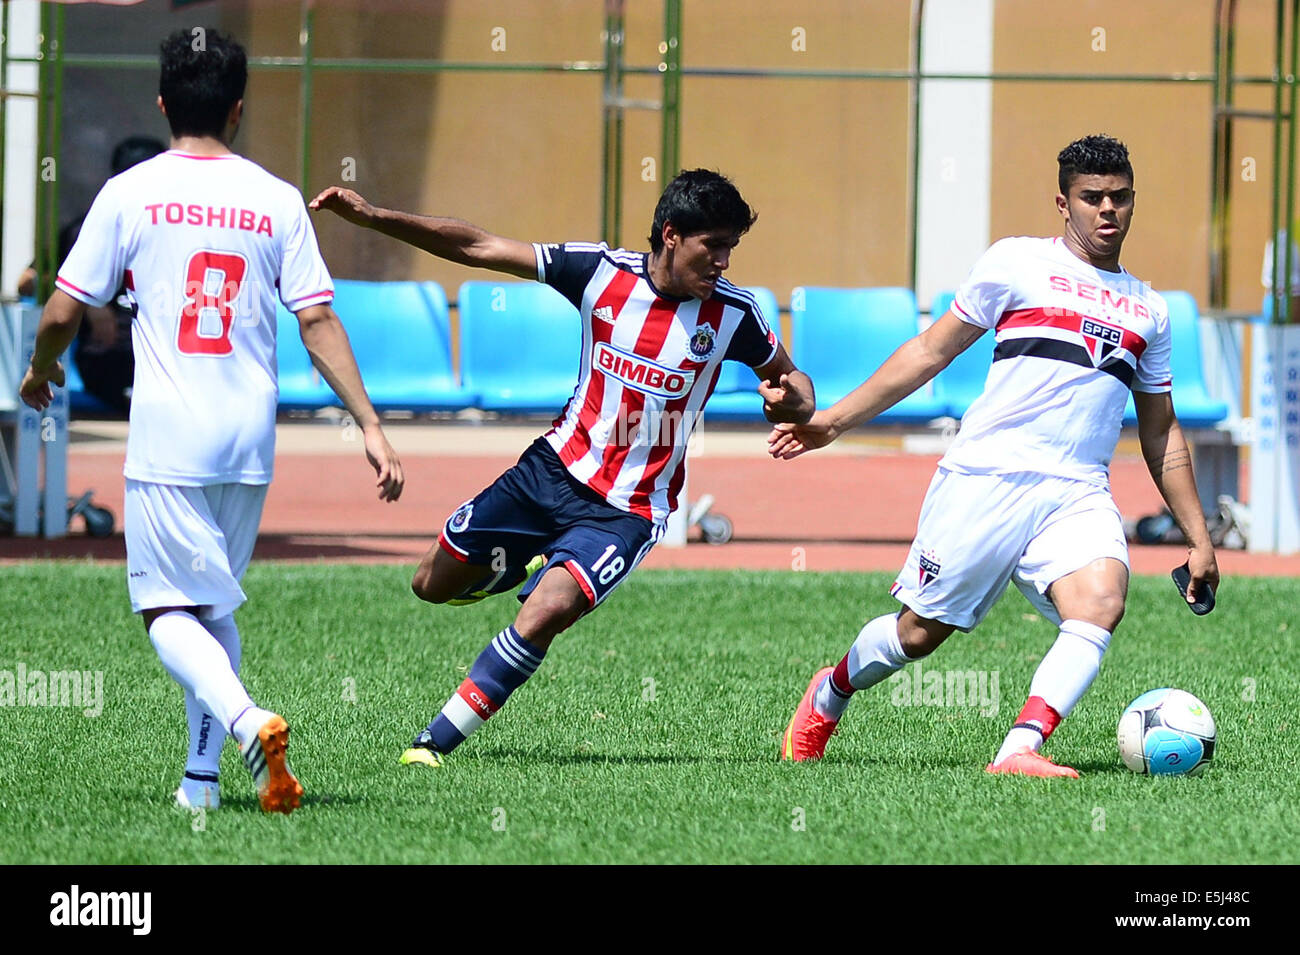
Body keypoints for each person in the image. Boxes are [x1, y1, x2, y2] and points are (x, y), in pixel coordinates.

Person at [20, 28, 405, 813]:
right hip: (246, 437)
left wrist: (40, 366)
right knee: (215, 607)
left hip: (170, 434)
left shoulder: (131, 192)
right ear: (238, 109)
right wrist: (367, 421)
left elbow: (64, 307)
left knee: (165, 610)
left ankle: (245, 718)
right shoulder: (274, 198)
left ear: (163, 103)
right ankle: (199, 785)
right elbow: (319, 320)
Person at [310, 168, 815, 766]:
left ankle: (433, 743)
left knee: (547, 609)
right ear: (672, 235)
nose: (724, 262)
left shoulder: (735, 315)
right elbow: (479, 246)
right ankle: (510, 565)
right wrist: (376, 218)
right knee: (430, 584)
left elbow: (794, 381)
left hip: (628, 509)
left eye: (732, 247)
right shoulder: (600, 272)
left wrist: (795, 403)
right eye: (715, 246)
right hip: (549, 471)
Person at [772, 134, 1220, 777]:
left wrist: (1198, 537)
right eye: (1091, 197)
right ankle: (831, 690)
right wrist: (835, 421)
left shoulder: (1150, 310)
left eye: (1120, 198)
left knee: (1101, 601)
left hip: (1077, 489)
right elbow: (930, 351)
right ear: (1062, 204)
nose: (1107, 210)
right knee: (917, 636)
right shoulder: (1016, 263)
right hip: (986, 476)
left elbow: (1160, 429)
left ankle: (1020, 750)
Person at [19, 137, 167, 414]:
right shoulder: (90, 226)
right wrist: (83, 298)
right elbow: (28, 284)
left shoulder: (176, 228)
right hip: (110, 359)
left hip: (163, 359)